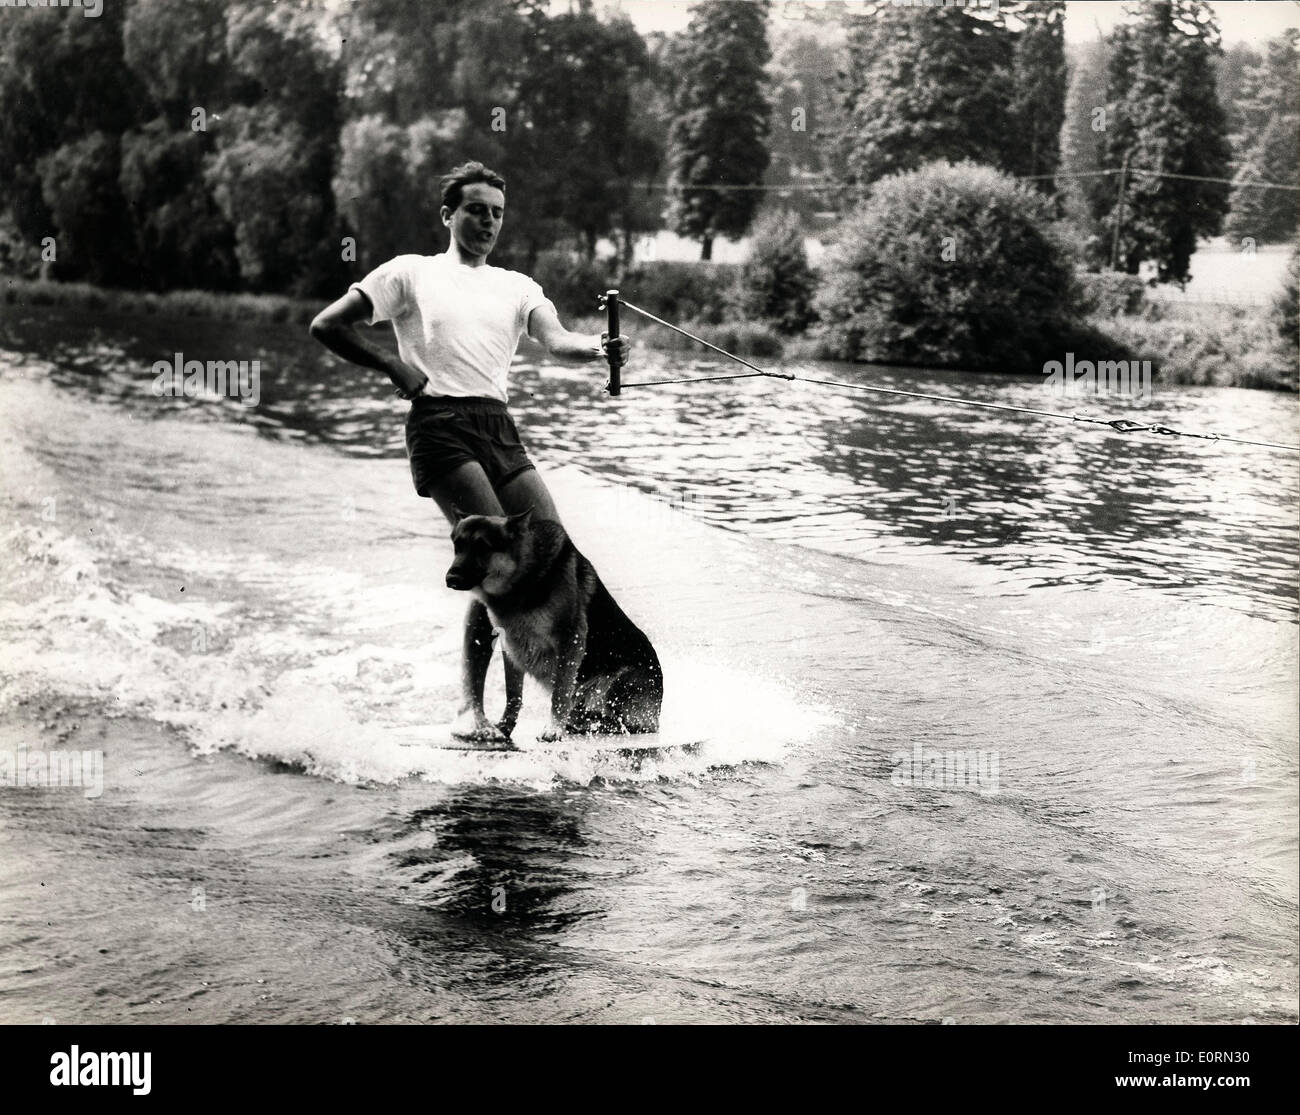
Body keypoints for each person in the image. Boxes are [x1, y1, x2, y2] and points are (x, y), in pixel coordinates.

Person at [309, 160, 629, 742]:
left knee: (551, 561)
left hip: (498, 427)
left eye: (497, 213)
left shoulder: (517, 286)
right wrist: (391, 363)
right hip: (439, 424)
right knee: (489, 560)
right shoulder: (409, 274)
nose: (488, 221)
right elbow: (326, 325)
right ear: (448, 215)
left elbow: (556, 340)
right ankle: (470, 710)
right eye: (476, 210)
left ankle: (520, 716)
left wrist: (598, 347)